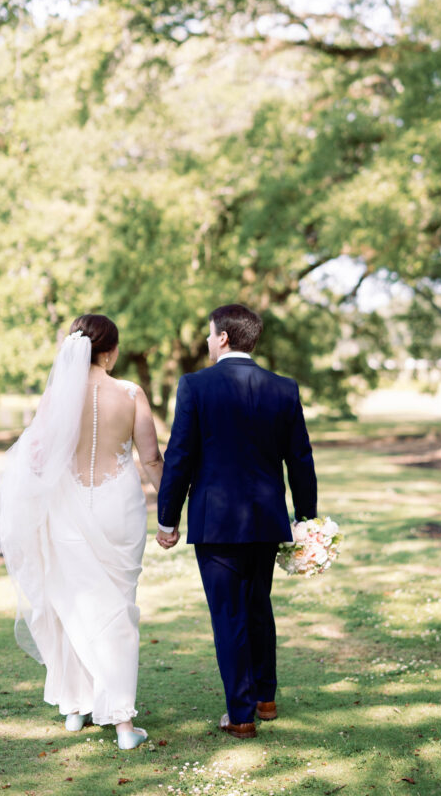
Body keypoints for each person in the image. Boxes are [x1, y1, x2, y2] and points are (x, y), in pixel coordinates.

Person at [0, 314, 164, 750]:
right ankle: (121, 723)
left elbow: (36, 458)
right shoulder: (131, 393)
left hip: (68, 508)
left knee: (72, 604)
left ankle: (75, 707)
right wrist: (173, 513)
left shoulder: (56, 398)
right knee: (117, 607)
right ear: (111, 351)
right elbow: (152, 459)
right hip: (119, 506)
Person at [156, 303, 317, 738]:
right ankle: (265, 697)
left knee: (230, 615)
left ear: (224, 337)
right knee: (258, 606)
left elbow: (180, 457)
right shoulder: (283, 388)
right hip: (267, 519)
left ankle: (241, 715)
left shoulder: (195, 386)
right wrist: (307, 518)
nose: (207, 342)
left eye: (210, 334)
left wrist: (167, 519)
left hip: (216, 522)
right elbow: (300, 459)